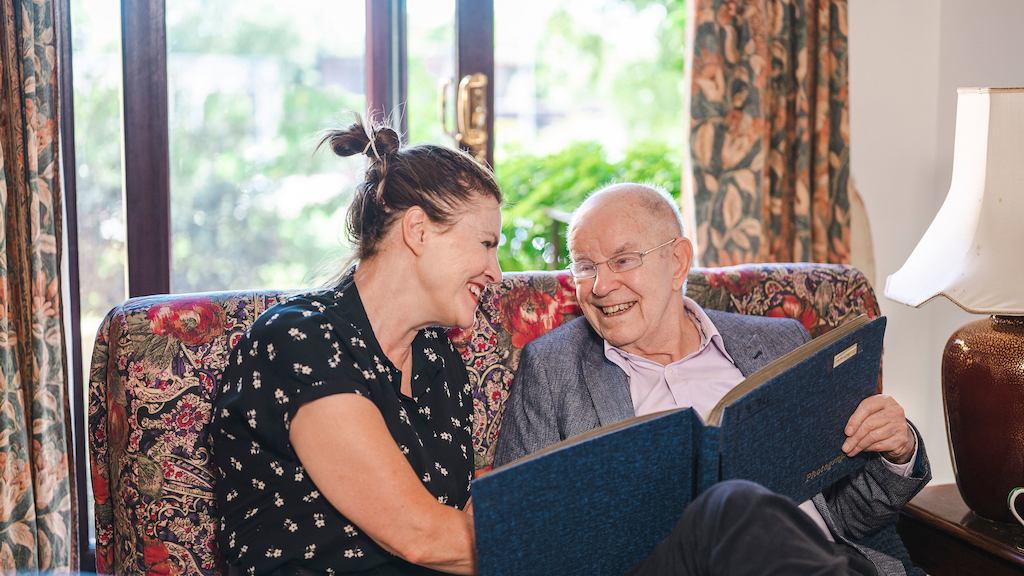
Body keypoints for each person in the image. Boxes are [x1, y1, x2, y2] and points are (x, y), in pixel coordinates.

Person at [494, 183, 931, 576]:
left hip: (828, 559)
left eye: (623, 260)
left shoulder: (777, 343)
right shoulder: (553, 369)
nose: (601, 285)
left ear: (678, 261)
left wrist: (897, 450)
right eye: (585, 267)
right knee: (728, 503)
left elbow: (852, 516)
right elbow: (519, 533)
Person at [211, 118, 502, 575]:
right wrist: (560, 541)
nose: (496, 272)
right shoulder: (298, 341)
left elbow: (460, 529)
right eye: (486, 244)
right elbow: (421, 535)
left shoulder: (437, 359)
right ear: (419, 230)